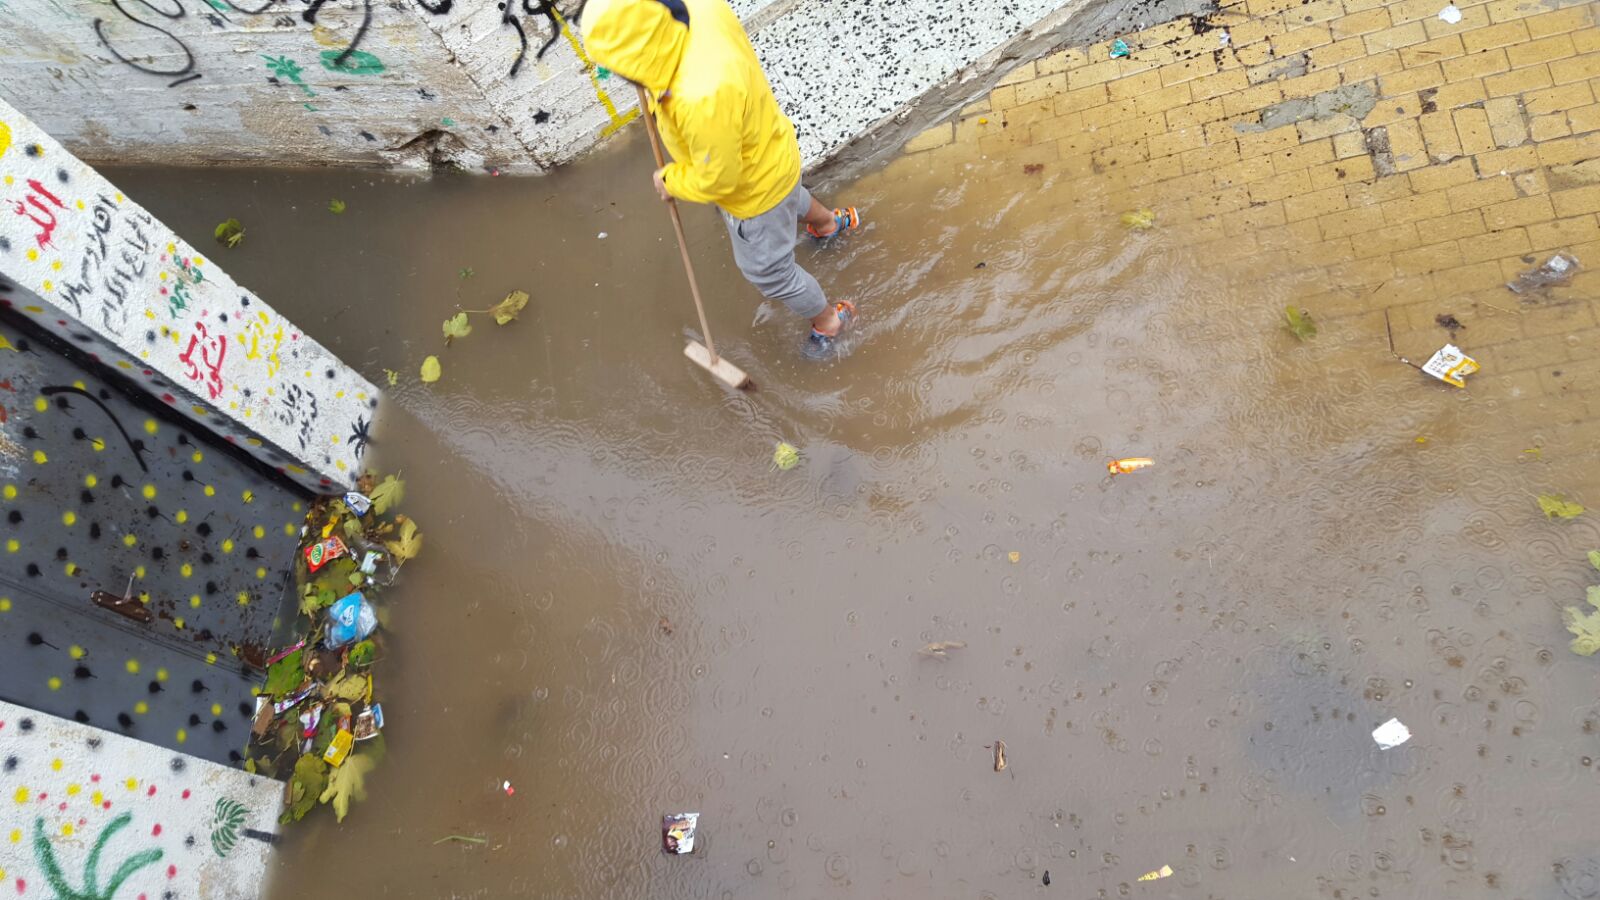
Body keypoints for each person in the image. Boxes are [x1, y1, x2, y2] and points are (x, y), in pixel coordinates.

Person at [583, 0, 861, 352]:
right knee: (788, 195)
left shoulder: (699, 97)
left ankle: (830, 322)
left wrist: (672, 182)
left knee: (770, 274)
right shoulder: (700, 9)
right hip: (771, 148)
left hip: (752, 192)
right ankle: (830, 224)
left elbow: (719, 180)